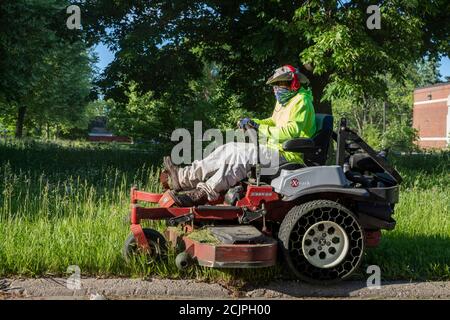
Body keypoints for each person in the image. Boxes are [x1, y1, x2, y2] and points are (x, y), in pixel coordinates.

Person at [160, 65, 316, 207]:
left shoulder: (301, 101)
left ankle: (205, 193)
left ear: (293, 83)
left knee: (241, 156)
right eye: (275, 85)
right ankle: (182, 177)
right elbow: (272, 122)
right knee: (228, 148)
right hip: (273, 149)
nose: (276, 89)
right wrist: (253, 122)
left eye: (280, 84)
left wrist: (259, 128)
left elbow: (292, 131)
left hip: (288, 154)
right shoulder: (284, 102)